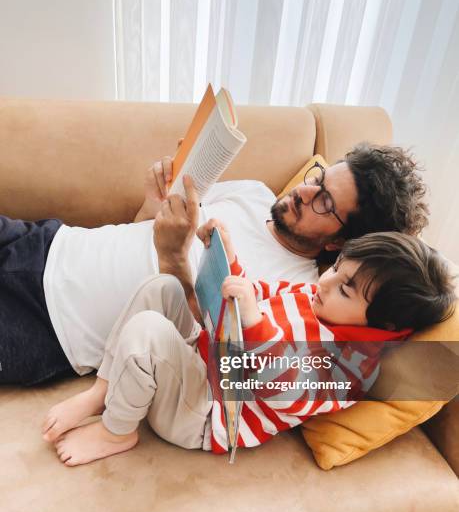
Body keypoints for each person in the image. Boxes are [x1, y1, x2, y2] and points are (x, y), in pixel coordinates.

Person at [41, 177, 455, 465]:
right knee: (162, 288)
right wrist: (229, 256)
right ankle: (102, 391)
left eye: (346, 289)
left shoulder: (350, 369)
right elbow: (258, 291)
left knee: (147, 333)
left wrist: (255, 324)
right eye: (337, 269)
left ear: (380, 327)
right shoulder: (317, 297)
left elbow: (284, 388)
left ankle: (116, 431)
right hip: (203, 363)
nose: (326, 284)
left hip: (204, 414)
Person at [1, 143, 428, 386]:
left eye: (325, 202)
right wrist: (153, 203)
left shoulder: (289, 296)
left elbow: (187, 355)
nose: (305, 191)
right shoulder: (253, 192)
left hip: (51, 330)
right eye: (318, 178)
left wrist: (173, 259)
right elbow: (137, 233)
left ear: (338, 241)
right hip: (49, 242)